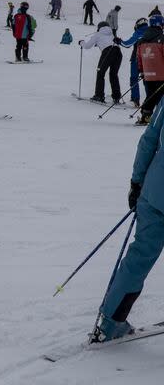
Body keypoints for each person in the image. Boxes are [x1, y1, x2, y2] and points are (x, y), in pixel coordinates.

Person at [93, 95, 164, 342]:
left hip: (156, 192)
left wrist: (137, 182)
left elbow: (149, 141)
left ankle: (111, 322)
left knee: (138, 257)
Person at [79, 21, 123, 104]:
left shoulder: (98, 34)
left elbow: (87, 46)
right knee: (113, 75)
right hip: (118, 52)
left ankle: (99, 95)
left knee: (100, 73)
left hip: (108, 52)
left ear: (99, 28)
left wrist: (81, 42)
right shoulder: (111, 34)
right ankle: (116, 97)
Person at [136, 15, 164, 125]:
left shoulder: (142, 40)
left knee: (151, 95)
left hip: (148, 74)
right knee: (160, 97)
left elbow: (139, 58)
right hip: (161, 74)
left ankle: (146, 115)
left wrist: (142, 71)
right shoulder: (162, 39)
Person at [122, 18, 150, 109]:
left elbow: (127, 44)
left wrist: (119, 41)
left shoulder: (138, 32)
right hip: (149, 60)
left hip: (136, 59)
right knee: (148, 80)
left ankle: (135, 99)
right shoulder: (151, 32)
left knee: (134, 79)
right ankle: (150, 99)